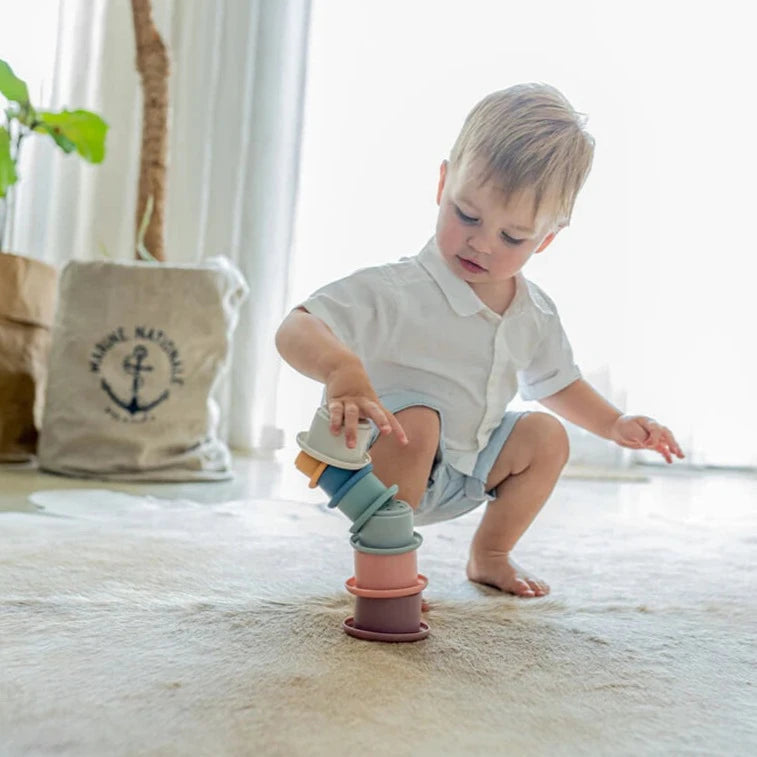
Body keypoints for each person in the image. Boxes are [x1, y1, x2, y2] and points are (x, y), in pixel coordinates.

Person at [275, 83, 684, 598]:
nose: (481, 243)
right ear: (443, 183)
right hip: (367, 468)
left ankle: (490, 554)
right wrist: (340, 369)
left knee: (545, 434)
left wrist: (615, 423)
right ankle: (386, 565)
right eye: (466, 215)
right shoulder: (396, 290)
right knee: (418, 423)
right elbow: (296, 326)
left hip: (461, 475)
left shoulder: (533, 313)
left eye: (512, 238)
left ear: (548, 238)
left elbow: (558, 382)